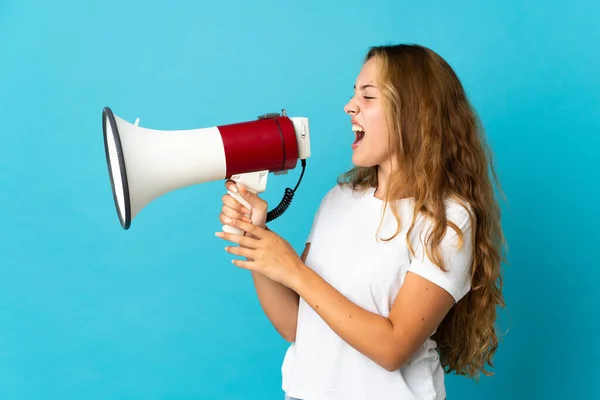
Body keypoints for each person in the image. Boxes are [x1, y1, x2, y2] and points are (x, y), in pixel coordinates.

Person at [214, 43, 506, 400]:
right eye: (354, 94)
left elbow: (393, 348)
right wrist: (256, 237)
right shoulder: (340, 200)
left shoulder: (448, 220)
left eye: (368, 96)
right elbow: (296, 326)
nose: (349, 106)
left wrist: (293, 270)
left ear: (414, 112)